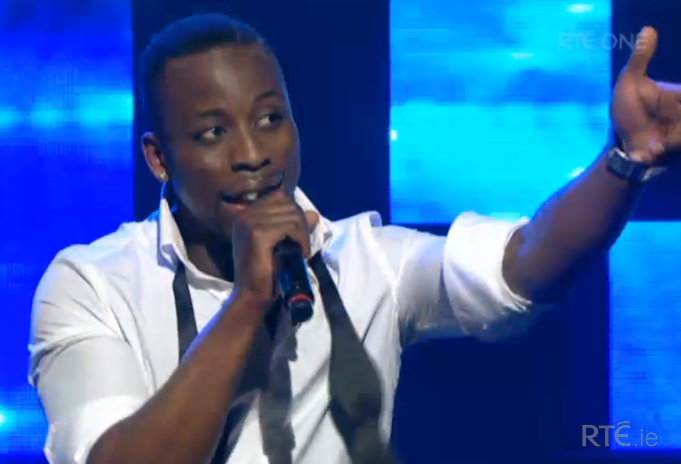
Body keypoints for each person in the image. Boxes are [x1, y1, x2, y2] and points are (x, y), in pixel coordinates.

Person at [28, 13, 681, 464]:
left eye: (270, 118)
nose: (253, 153)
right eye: (212, 133)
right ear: (158, 158)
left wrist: (628, 160)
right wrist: (249, 302)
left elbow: (529, 264)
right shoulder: (92, 283)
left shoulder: (366, 262)